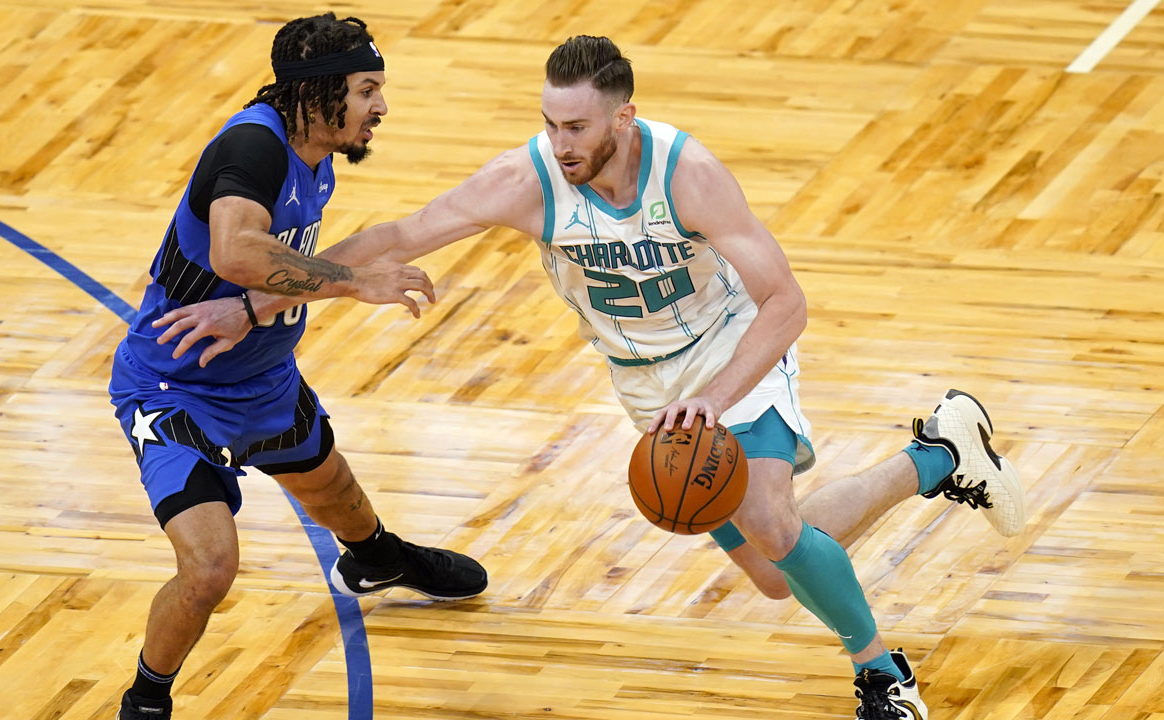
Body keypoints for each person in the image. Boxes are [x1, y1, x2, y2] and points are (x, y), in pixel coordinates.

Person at [153, 35, 1027, 719]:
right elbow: (397, 237)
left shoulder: (688, 173)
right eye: (549, 124)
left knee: (765, 516)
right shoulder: (527, 179)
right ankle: (939, 458)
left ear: (622, 118)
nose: (559, 143)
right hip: (647, 386)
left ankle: (881, 672)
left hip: (731, 355)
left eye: (576, 128)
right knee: (774, 564)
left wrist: (714, 400)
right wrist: (254, 307)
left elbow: (785, 305)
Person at [108, 14, 488, 720]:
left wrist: (258, 309)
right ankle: (145, 700)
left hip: (265, 378)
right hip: (176, 389)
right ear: (319, 91)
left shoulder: (315, 152)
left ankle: (376, 558)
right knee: (210, 569)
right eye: (367, 88)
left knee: (336, 490)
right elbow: (234, 251)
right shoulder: (253, 148)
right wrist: (351, 279)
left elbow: (269, 274)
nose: (381, 107)